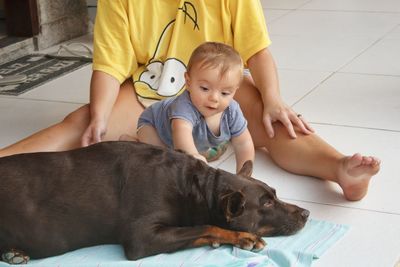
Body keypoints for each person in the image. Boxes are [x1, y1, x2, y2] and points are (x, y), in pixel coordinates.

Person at [0, 0, 380, 201]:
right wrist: (100, 115)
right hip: (151, 90)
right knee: (81, 125)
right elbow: (109, 66)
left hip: (221, 87)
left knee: (274, 121)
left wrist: (274, 98)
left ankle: (339, 169)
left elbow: (257, 50)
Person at [134, 42, 254, 173]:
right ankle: (133, 144)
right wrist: (194, 157)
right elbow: (182, 134)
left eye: (225, 93)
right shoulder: (183, 107)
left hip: (191, 139)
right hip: (152, 125)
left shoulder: (232, 111)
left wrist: (244, 175)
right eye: (204, 88)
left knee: (197, 154)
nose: (214, 98)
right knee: (162, 159)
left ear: (235, 91)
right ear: (188, 82)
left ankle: (200, 149)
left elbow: (244, 143)